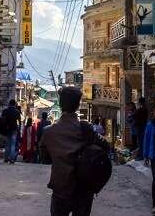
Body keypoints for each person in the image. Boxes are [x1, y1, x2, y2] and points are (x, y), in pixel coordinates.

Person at [40, 86, 110, 216]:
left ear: (60, 105)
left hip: (60, 188)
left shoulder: (49, 132)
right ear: (78, 105)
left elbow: (44, 159)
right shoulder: (86, 128)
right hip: (83, 188)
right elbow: (105, 146)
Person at [1, 99, 22, 164]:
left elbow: (2, 121)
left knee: (7, 144)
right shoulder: (17, 112)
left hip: (7, 129)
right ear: (14, 104)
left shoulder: (5, 111)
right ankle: (12, 159)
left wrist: (3, 128)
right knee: (13, 144)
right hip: (14, 129)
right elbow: (19, 122)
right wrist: (19, 129)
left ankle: (6, 158)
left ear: (9, 104)